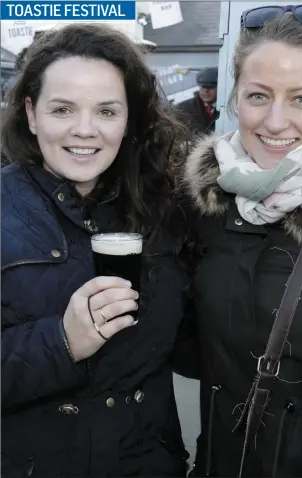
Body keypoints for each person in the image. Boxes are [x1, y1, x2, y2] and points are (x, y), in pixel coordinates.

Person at [1, 23, 191, 477]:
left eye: (107, 111)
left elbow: (196, 349)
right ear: (31, 114)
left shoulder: (166, 208)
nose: (85, 130)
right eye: (63, 109)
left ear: (130, 119)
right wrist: (62, 342)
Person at [179, 5, 302, 477]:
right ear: (236, 97)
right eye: (258, 96)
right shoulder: (206, 205)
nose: (276, 122)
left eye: (301, 99)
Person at [176, 67, 219, 137]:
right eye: (202, 86)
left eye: (210, 87)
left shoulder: (227, 110)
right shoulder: (182, 108)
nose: (206, 91)